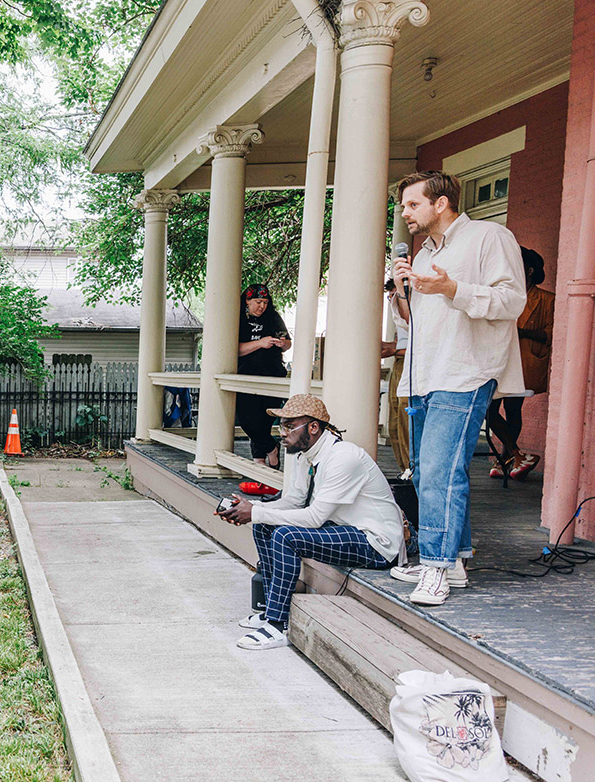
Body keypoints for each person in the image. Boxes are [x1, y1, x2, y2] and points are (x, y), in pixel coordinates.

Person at [394, 170, 526, 606]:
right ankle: (454, 561)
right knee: (425, 468)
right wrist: (401, 293)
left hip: (466, 372)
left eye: (413, 204)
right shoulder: (425, 253)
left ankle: (434, 568)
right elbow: (423, 323)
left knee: (438, 471)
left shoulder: (490, 236)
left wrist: (452, 287)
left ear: (441, 203)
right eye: (403, 205)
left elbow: (512, 301)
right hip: (425, 373)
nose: (405, 212)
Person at [219, 395, 404, 650]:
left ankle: (277, 624)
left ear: (313, 427)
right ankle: (271, 607)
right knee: (264, 526)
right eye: (281, 426)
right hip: (339, 528)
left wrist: (256, 512)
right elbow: (294, 501)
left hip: (374, 541)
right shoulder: (302, 453)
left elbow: (314, 517)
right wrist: (251, 509)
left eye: (289, 426)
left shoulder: (343, 457)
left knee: (286, 536)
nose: (282, 433)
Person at [486, 247, 554, 479]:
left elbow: (551, 333)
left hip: (524, 361)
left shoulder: (546, 299)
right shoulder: (506, 294)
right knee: (489, 409)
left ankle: (507, 456)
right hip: (499, 359)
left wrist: (522, 332)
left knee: (513, 408)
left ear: (529, 270)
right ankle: (515, 455)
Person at [236, 284, 291, 468]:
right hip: (246, 376)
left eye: (265, 302)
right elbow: (234, 350)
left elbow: (288, 342)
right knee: (247, 420)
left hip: (272, 375)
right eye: (258, 302)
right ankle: (271, 448)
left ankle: (260, 464)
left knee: (265, 420)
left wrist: (281, 343)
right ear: (247, 301)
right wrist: (260, 343)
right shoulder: (237, 318)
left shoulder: (273, 317)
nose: (262, 306)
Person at [382, 277, 412, 473]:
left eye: (395, 296)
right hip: (398, 363)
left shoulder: (413, 312)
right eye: (390, 296)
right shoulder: (398, 317)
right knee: (393, 420)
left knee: (404, 417)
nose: (392, 300)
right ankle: (403, 469)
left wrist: (393, 351)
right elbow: (401, 342)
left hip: (410, 363)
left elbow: (419, 345)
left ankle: (412, 469)